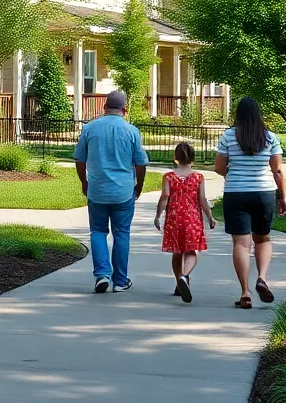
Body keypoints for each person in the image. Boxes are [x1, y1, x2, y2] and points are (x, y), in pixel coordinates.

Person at [214, 97, 286, 309]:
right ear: (258, 113)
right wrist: (283, 197)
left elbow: (219, 167)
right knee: (263, 239)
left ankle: (245, 291)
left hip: (236, 193)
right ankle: (262, 278)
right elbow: (278, 170)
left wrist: (232, 173)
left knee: (241, 243)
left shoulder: (229, 136)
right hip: (264, 192)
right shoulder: (270, 137)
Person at [74, 89, 149, 294]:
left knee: (98, 231)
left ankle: (102, 274)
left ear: (104, 106)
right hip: (123, 190)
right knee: (121, 233)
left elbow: (79, 159)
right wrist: (138, 185)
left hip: (97, 189)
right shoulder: (131, 131)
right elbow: (141, 163)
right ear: (124, 109)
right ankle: (120, 280)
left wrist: (84, 181)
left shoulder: (90, 128)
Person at [153, 141, 216, 303]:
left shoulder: (168, 177)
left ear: (175, 158)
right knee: (191, 252)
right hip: (192, 219)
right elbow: (202, 199)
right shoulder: (198, 177)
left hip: (174, 219)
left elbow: (165, 197)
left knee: (177, 251)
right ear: (193, 158)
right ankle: (185, 276)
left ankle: (179, 280)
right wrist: (210, 217)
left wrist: (158, 215)